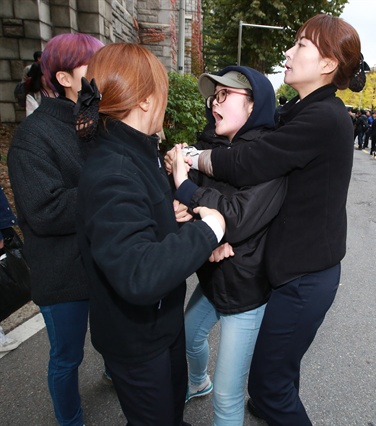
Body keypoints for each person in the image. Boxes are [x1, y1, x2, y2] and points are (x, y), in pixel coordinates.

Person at [177, 13, 364, 425]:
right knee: (275, 377)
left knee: (269, 386)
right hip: (291, 268)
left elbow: (250, 162)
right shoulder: (299, 110)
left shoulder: (323, 117)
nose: (289, 52)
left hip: (303, 276)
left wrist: (190, 163)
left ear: (329, 65)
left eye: (301, 45)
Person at [76, 43, 226, 426]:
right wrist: (209, 231)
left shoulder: (135, 152)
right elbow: (138, 274)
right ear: (144, 101)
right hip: (137, 340)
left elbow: (133, 226)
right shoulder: (115, 168)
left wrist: (166, 218)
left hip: (159, 325)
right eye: (162, 90)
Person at [169, 66, 287, 425]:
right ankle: (196, 381)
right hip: (212, 278)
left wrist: (184, 186)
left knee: (228, 395)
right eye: (213, 96)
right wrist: (201, 228)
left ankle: (210, 388)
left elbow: (236, 218)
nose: (213, 103)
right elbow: (187, 207)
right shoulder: (211, 147)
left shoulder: (269, 155)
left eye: (225, 95)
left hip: (245, 291)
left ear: (254, 106)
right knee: (188, 339)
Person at [8, 33, 104, 426]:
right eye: (93, 66)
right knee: (67, 357)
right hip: (62, 273)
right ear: (65, 78)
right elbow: (45, 210)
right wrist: (109, 186)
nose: (103, 74)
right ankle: (71, 421)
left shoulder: (97, 120)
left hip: (103, 262)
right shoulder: (31, 137)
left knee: (114, 339)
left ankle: (118, 374)